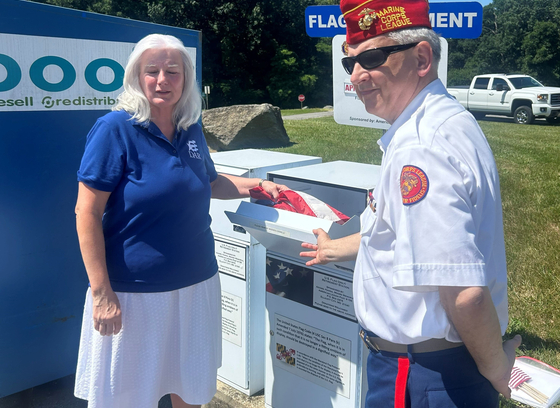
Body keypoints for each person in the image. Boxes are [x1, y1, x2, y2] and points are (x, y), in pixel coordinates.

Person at [300, 0, 522, 406]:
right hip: (434, 368)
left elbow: (462, 290)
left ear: (422, 58)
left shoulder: (419, 148)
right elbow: (401, 232)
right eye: (351, 64)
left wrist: (496, 370)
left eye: (372, 58)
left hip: (419, 375)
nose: (357, 76)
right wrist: (336, 248)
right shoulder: (447, 119)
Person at [74, 33, 286, 408]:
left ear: (186, 78)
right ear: (135, 76)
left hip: (196, 284)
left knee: (189, 387)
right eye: (151, 71)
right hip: (134, 292)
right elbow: (86, 213)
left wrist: (255, 186)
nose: (162, 80)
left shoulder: (190, 127)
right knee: (126, 397)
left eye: (172, 71)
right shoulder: (114, 129)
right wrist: (102, 293)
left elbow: (209, 181)